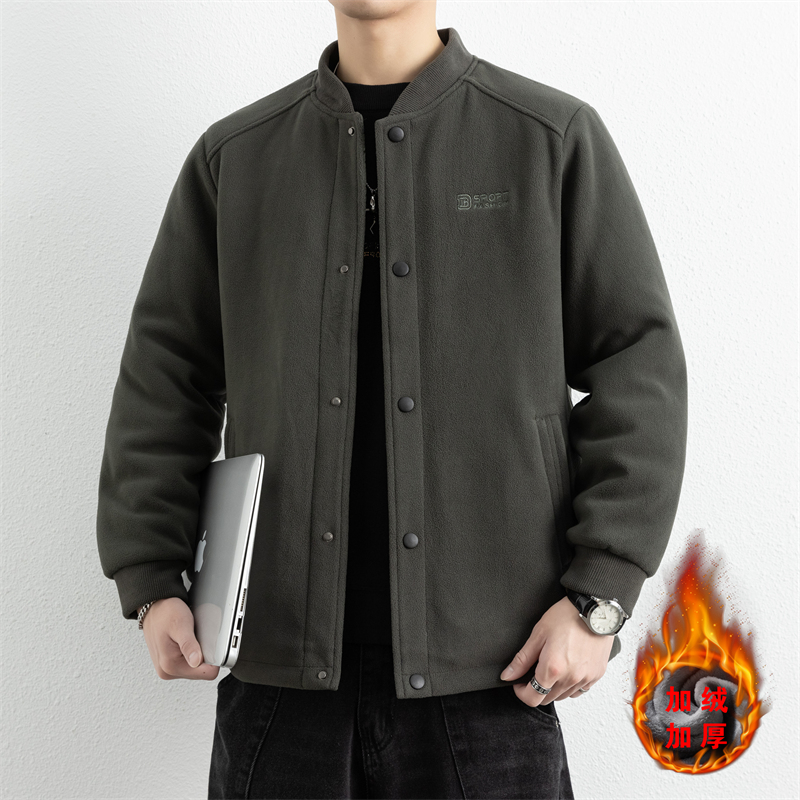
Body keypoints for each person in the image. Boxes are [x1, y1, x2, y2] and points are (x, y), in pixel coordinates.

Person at [96, 1, 688, 797]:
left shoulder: (548, 138)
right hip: (279, 686)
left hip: (494, 679)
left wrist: (598, 597)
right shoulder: (236, 158)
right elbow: (166, 373)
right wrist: (152, 580)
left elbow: (638, 364)